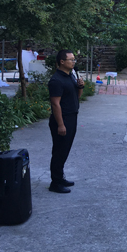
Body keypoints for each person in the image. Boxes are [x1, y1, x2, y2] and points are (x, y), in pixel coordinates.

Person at [48, 49, 84, 193]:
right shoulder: (56, 80)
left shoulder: (70, 76)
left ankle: (60, 177)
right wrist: (61, 124)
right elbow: (55, 104)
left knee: (65, 150)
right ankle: (55, 183)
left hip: (72, 117)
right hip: (62, 119)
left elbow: (77, 96)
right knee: (59, 151)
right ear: (62, 62)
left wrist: (80, 86)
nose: (74, 62)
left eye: (74, 59)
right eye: (71, 59)